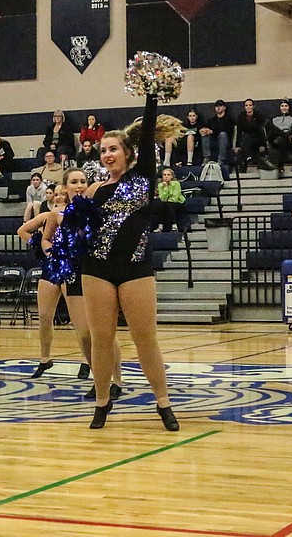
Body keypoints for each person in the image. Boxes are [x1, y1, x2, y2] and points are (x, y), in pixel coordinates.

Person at [81, 91, 181, 431]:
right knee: (102, 337)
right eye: (103, 150)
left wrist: (151, 96)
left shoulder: (143, 179)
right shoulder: (93, 190)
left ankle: (163, 402)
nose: (107, 154)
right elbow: (78, 228)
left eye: (113, 149)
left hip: (136, 267)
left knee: (144, 338)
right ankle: (102, 401)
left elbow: (150, 124)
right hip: (96, 268)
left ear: (128, 153)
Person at [45, 168, 124, 397]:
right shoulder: (58, 213)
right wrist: (53, 254)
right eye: (74, 182)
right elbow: (46, 239)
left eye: (82, 181)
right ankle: (99, 377)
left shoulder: (96, 209)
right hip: (72, 274)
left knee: (105, 332)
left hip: (96, 271)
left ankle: (116, 380)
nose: (79, 185)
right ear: (65, 187)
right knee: (84, 334)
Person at [17, 184, 70, 378]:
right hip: (50, 267)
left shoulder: (76, 214)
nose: (59, 197)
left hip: (70, 267)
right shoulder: (48, 215)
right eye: (56, 194)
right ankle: (45, 358)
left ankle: (85, 361)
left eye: (62, 194)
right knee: (45, 316)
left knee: (80, 319)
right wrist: (38, 245)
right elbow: (22, 230)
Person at [233, 98, 269, 170]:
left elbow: (261, 131)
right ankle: (247, 159)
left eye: (250, 105)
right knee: (245, 137)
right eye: (246, 105)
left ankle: (249, 158)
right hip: (246, 138)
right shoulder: (241, 116)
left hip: (257, 138)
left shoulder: (258, 115)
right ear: (244, 107)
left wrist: (263, 145)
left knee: (247, 139)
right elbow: (239, 132)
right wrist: (237, 145)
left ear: (253, 106)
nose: (248, 107)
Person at [199, 99, 234, 165]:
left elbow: (227, 130)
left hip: (225, 142)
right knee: (204, 134)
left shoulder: (229, 119)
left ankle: (221, 159)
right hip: (214, 141)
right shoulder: (211, 120)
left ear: (224, 107)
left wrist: (212, 131)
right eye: (216, 106)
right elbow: (207, 129)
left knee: (222, 134)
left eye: (220, 106)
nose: (218, 108)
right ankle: (206, 157)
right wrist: (203, 130)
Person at [266, 99, 292, 168]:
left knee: (281, 139)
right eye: (282, 106)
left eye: (286, 106)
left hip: (286, 138)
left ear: (289, 107)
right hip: (274, 137)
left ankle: (279, 164)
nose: (284, 108)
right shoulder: (274, 119)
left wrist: (284, 134)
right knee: (271, 128)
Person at [155, 167, 187, 232]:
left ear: (172, 176)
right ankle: (170, 226)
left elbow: (175, 198)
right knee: (161, 205)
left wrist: (166, 200)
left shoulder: (176, 184)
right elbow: (163, 198)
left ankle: (165, 226)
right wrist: (166, 187)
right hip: (167, 204)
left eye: (168, 175)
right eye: (164, 175)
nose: (166, 177)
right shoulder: (160, 185)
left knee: (166, 205)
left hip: (179, 203)